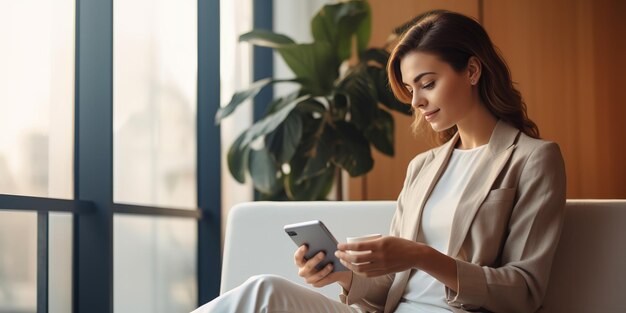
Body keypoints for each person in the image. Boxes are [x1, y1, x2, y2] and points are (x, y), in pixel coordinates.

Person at [193, 9, 566, 313]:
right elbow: (391, 287)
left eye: (428, 83)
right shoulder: (424, 166)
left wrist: (420, 255)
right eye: (411, 88)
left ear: (471, 70)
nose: (416, 101)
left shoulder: (533, 158)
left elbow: (524, 290)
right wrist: (342, 276)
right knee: (264, 291)